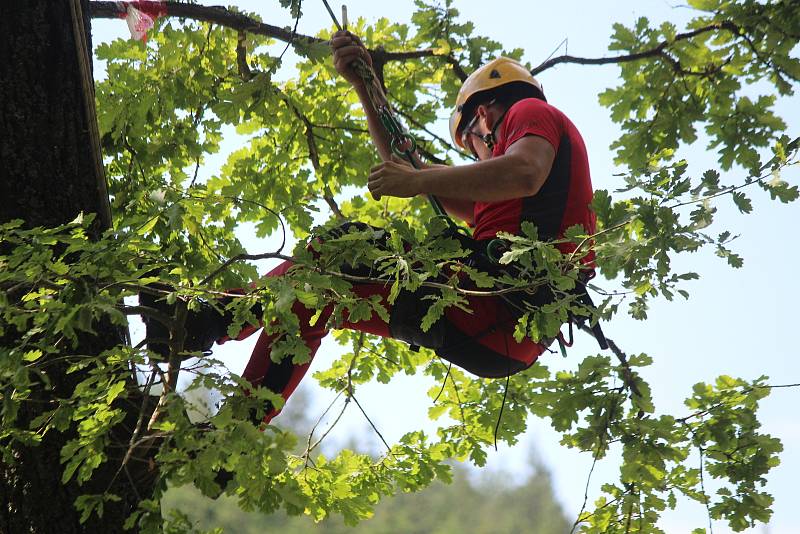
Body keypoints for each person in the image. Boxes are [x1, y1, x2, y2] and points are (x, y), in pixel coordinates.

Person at [143, 31, 596, 424]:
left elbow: (521, 172)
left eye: (472, 144)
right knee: (316, 291)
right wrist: (365, 86)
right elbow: (412, 168)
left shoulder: (527, 114)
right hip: (498, 332)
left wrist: (416, 178)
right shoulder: (506, 211)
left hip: (495, 303)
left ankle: (201, 322)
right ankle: (233, 433)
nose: (476, 155)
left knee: (340, 249)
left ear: (484, 114)